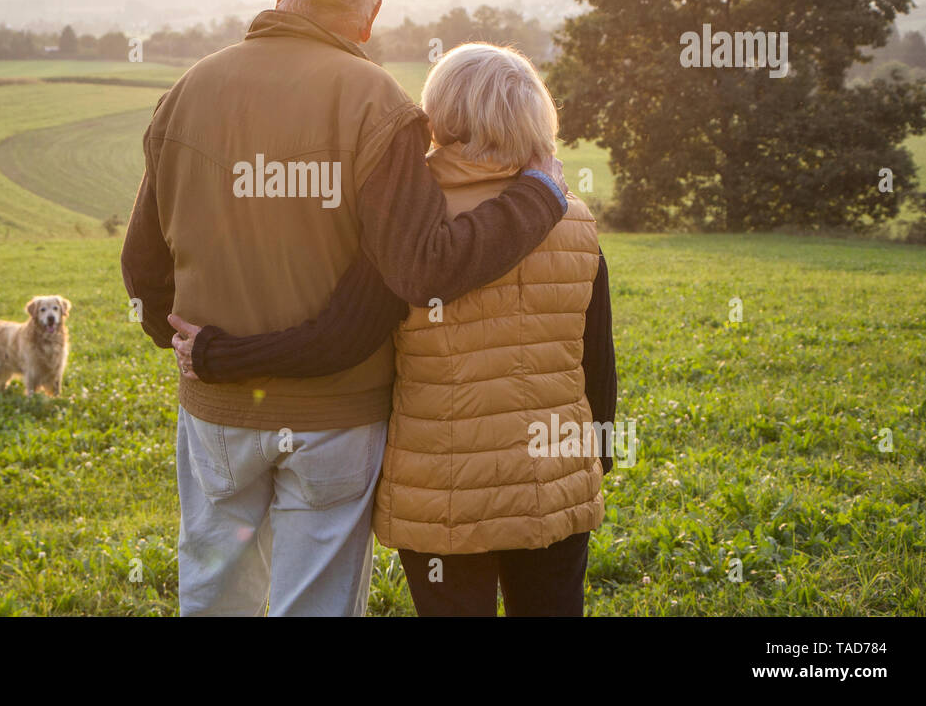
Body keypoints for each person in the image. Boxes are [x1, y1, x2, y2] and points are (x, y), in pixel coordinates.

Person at [120, 0, 570, 616]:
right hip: (338, 417)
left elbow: (142, 267)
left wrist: (178, 339)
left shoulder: (187, 91)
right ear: (372, 14)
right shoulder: (380, 106)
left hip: (215, 408)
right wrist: (539, 193)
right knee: (316, 605)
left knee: (215, 593)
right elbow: (422, 266)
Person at [173, 42, 618, 616]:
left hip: (440, 497)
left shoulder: (405, 221)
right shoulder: (573, 217)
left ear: (440, 116)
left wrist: (220, 354)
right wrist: (591, 464)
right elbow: (596, 366)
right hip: (554, 482)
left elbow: (340, 339)